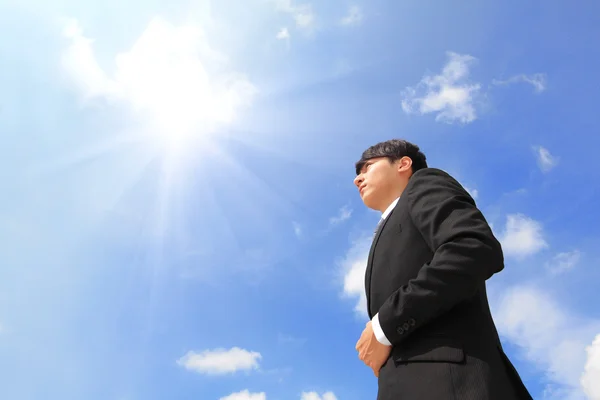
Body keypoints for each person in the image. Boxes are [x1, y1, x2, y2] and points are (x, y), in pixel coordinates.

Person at [353, 139, 533, 399]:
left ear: (403, 163)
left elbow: (471, 247)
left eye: (367, 167)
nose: (358, 179)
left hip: (451, 383)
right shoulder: (385, 228)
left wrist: (383, 327)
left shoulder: (423, 184)